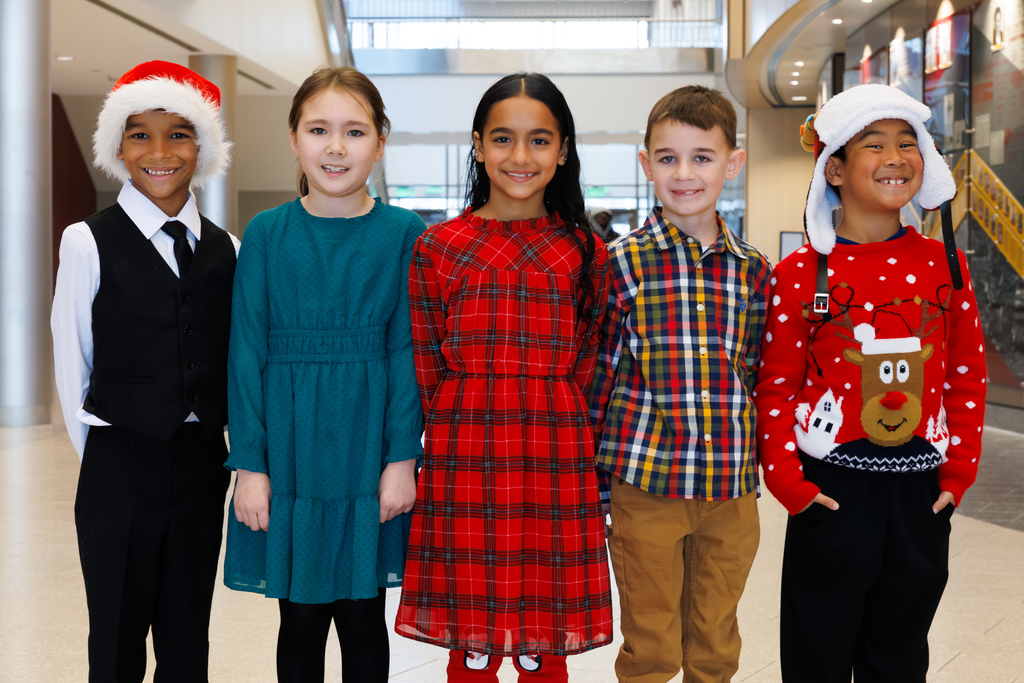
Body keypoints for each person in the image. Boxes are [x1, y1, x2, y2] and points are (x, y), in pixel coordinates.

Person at [755, 83, 987, 682]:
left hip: (921, 492)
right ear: (833, 168)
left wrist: (958, 475)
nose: (895, 157)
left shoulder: (946, 265)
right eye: (874, 143)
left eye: (908, 143)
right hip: (830, 493)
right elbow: (777, 385)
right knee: (817, 652)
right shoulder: (799, 273)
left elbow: (966, 376)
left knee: (900, 653)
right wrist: (790, 487)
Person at [395, 72, 614, 682]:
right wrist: (458, 422)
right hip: (465, 447)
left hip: (556, 446)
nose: (520, 157)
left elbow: (591, 354)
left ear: (563, 149)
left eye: (539, 140)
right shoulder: (438, 247)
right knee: (471, 628)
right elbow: (426, 360)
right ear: (477, 144)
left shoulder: (585, 251)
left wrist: (566, 422)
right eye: (503, 139)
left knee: (543, 629)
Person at [223, 67, 425, 683]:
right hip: (289, 455)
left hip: (368, 456)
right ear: (293, 139)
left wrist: (400, 461)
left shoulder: (406, 235)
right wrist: (250, 467)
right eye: (319, 130)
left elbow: (406, 354)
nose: (335, 148)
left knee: (364, 618)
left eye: (354, 131)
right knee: (300, 621)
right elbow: (246, 355)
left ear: (380, 142)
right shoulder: (265, 234)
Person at [51, 60, 236, 682]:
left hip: (202, 461)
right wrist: (108, 457)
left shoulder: (225, 246)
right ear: (118, 146)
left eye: (179, 133)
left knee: (188, 637)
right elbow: (71, 358)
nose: (159, 151)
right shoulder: (86, 240)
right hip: (119, 461)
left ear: (203, 146)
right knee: (117, 633)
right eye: (139, 134)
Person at [589, 85, 771, 683]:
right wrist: (592, 479)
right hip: (647, 481)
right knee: (651, 638)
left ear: (732, 163)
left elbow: (753, 371)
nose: (684, 173)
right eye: (668, 158)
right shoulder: (620, 263)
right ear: (646, 164)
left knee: (717, 636)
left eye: (702, 157)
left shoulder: (753, 270)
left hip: (729, 486)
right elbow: (601, 373)